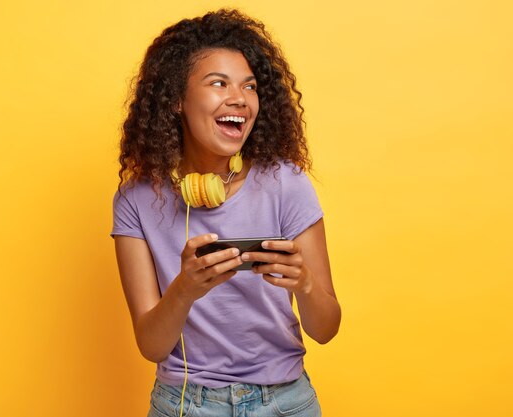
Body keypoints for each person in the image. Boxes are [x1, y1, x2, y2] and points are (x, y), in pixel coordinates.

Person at [111, 9, 341, 417]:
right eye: (218, 83)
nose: (239, 98)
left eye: (249, 86)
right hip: (184, 405)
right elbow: (151, 346)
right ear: (177, 99)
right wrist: (184, 288)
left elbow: (326, 330)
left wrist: (304, 284)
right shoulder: (136, 199)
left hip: (285, 402)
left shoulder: (286, 183)